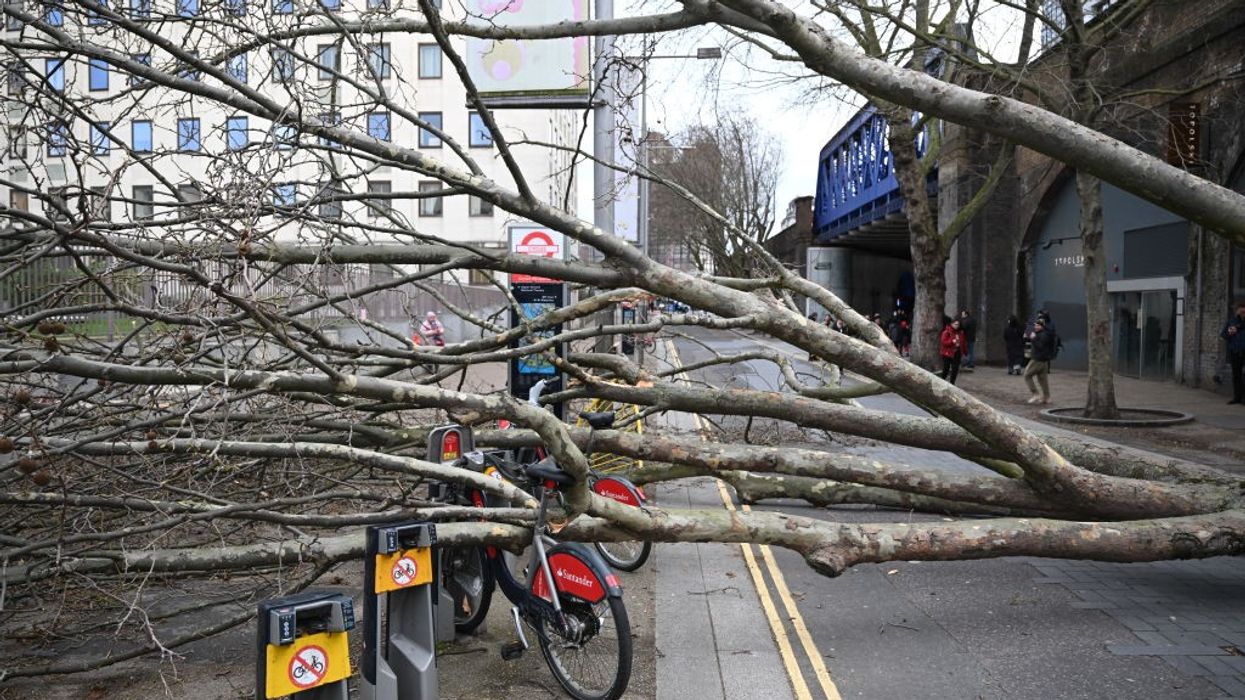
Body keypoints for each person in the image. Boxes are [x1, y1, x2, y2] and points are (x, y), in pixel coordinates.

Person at [1024, 317, 1057, 404]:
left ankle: (1035, 394)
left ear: (1042, 326)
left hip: (1038, 359)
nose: (1036, 327)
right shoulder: (1042, 334)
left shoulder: (1043, 335)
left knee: (1027, 375)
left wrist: (1033, 338)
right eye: (1035, 325)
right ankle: (1047, 397)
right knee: (1042, 380)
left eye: (1038, 325)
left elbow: (1040, 346)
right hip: (1043, 360)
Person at [1222, 300, 1245, 404]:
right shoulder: (1231, 321)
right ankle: (1237, 397)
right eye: (1241, 309)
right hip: (1235, 351)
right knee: (1236, 375)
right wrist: (1229, 333)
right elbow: (1223, 335)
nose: (1242, 311)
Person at [939, 317, 967, 385]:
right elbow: (943, 342)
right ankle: (941, 381)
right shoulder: (946, 332)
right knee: (946, 368)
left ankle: (952, 383)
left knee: (955, 369)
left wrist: (965, 351)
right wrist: (952, 341)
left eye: (958, 324)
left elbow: (963, 342)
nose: (956, 326)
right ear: (951, 324)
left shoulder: (960, 333)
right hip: (947, 353)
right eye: (955, 324)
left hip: (957, 352)